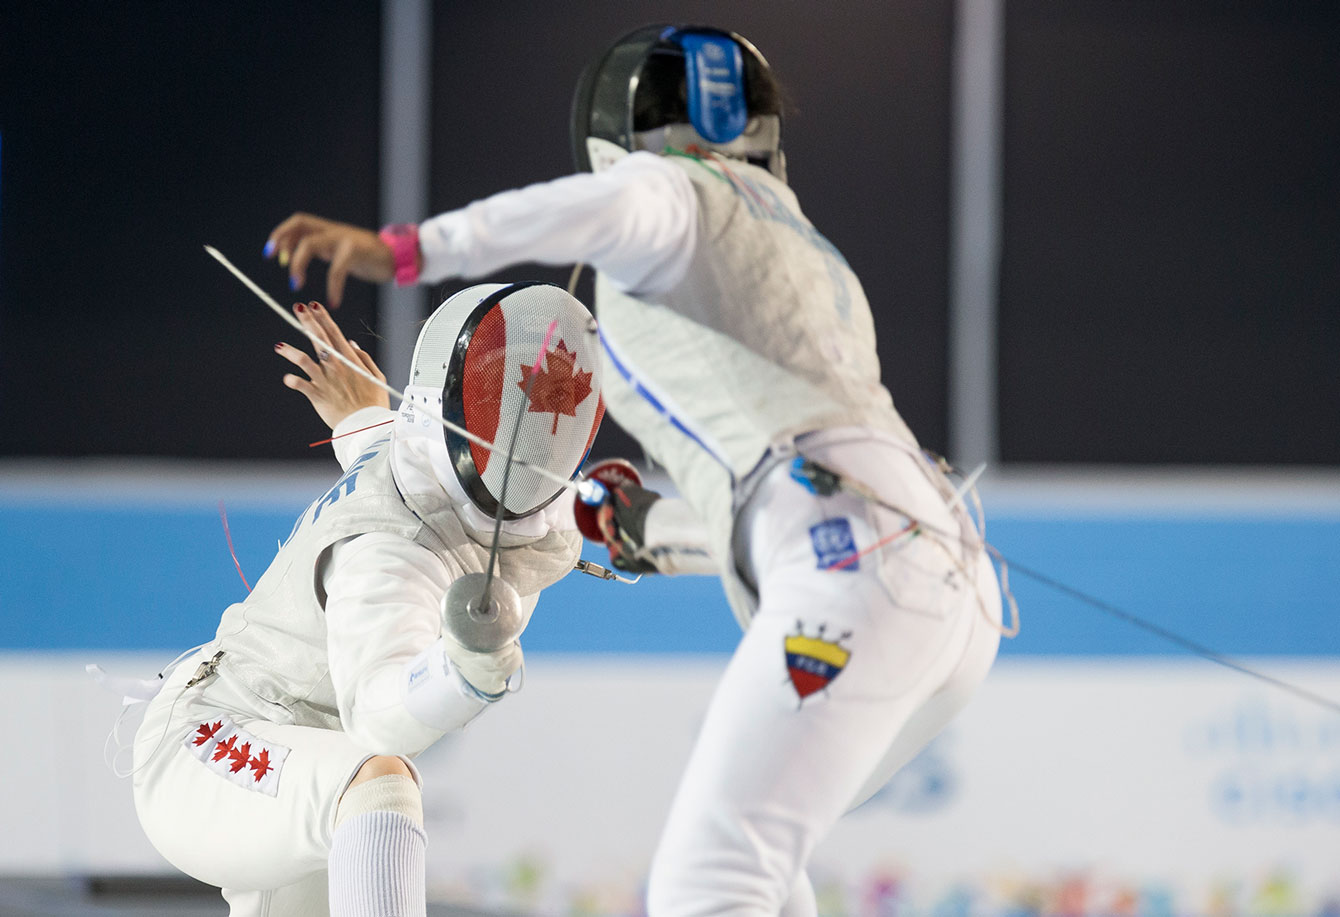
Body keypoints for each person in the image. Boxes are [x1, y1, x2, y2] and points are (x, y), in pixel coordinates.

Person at [264, 24, 1008, 916]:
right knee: (764, 859)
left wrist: (411, 251)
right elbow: (786, 505)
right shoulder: (799, 243)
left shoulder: (670, 191)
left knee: (711, 882)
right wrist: (648, 527)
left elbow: (601, 208)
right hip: (949, 576)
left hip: (857, 574)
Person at [130, 284, 604, 916]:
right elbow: (378, 719)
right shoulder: (390, 548)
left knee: (363, 795)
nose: (530, 427)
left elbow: (380, 441)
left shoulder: (411, 454)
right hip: (213, 743)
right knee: (378, 784)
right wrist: (463, 673)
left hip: (302, 765)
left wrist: (359, 413)